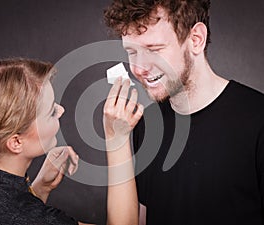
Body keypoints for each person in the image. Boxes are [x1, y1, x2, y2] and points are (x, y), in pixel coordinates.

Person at [104, 0, 264, 225]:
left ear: (196, 39)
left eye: (154, 50)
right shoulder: (146, 124)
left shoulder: (258, 121)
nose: (139, 68)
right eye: (131, 51)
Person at [0, 58, 142, 225]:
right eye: (51, 112)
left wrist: (41, 188)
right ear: (16, 142)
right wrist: (116, 138)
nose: (61, 110)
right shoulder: (28, 217)